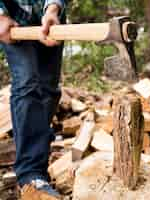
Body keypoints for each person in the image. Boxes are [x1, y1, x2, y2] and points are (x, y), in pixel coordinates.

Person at [0, 0, 65, 199]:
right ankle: (30, 174)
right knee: (27, 84)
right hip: (11, 16)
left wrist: (53, 9)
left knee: (48, 89)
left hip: (48, 17)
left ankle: (37, 157)